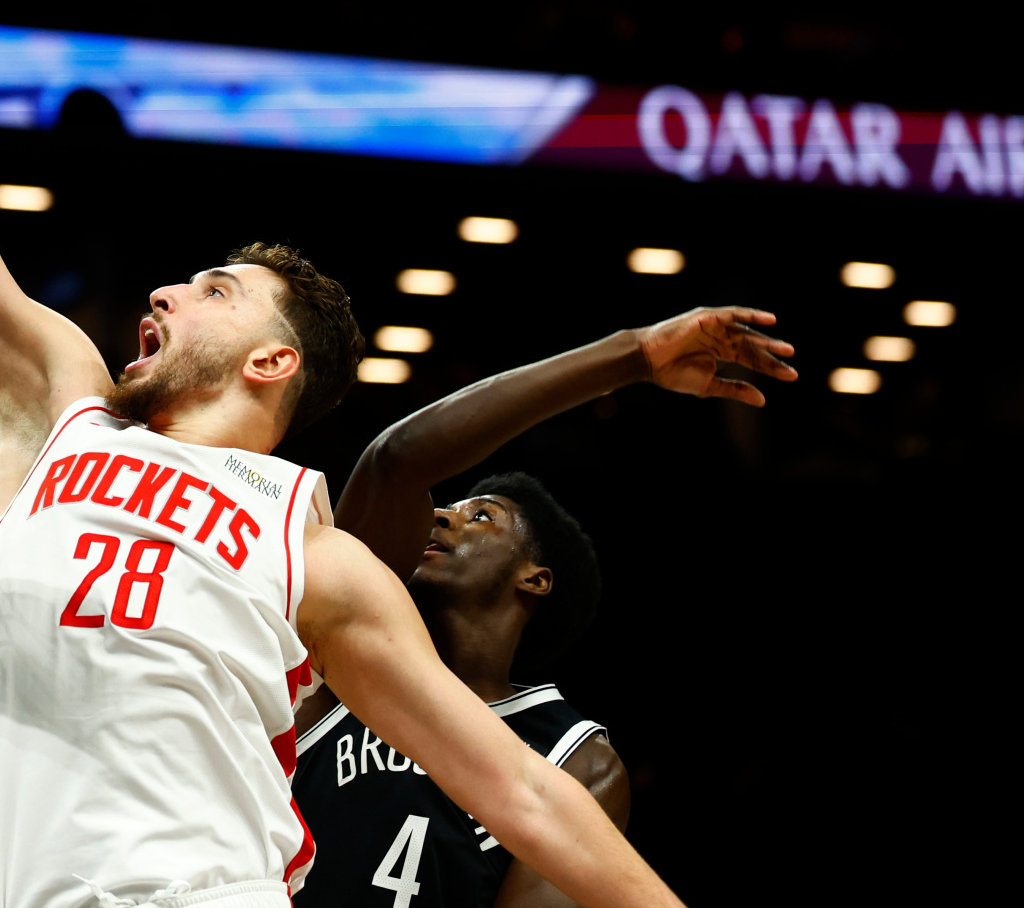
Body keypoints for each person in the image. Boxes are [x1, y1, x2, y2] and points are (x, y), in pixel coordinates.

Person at [0, 0, 708, 908]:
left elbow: (524, 791)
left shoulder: (316, 555)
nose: (167, 291)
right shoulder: (61, 410)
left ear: (272, 362)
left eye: (215, 290)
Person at [294, 310, 797, 908]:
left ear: (535, 579)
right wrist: (631, 354)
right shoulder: (345, 652)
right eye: (449, 506)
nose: (441, 515)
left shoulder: (574, 755)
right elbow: (395, 462)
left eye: (481, 516)